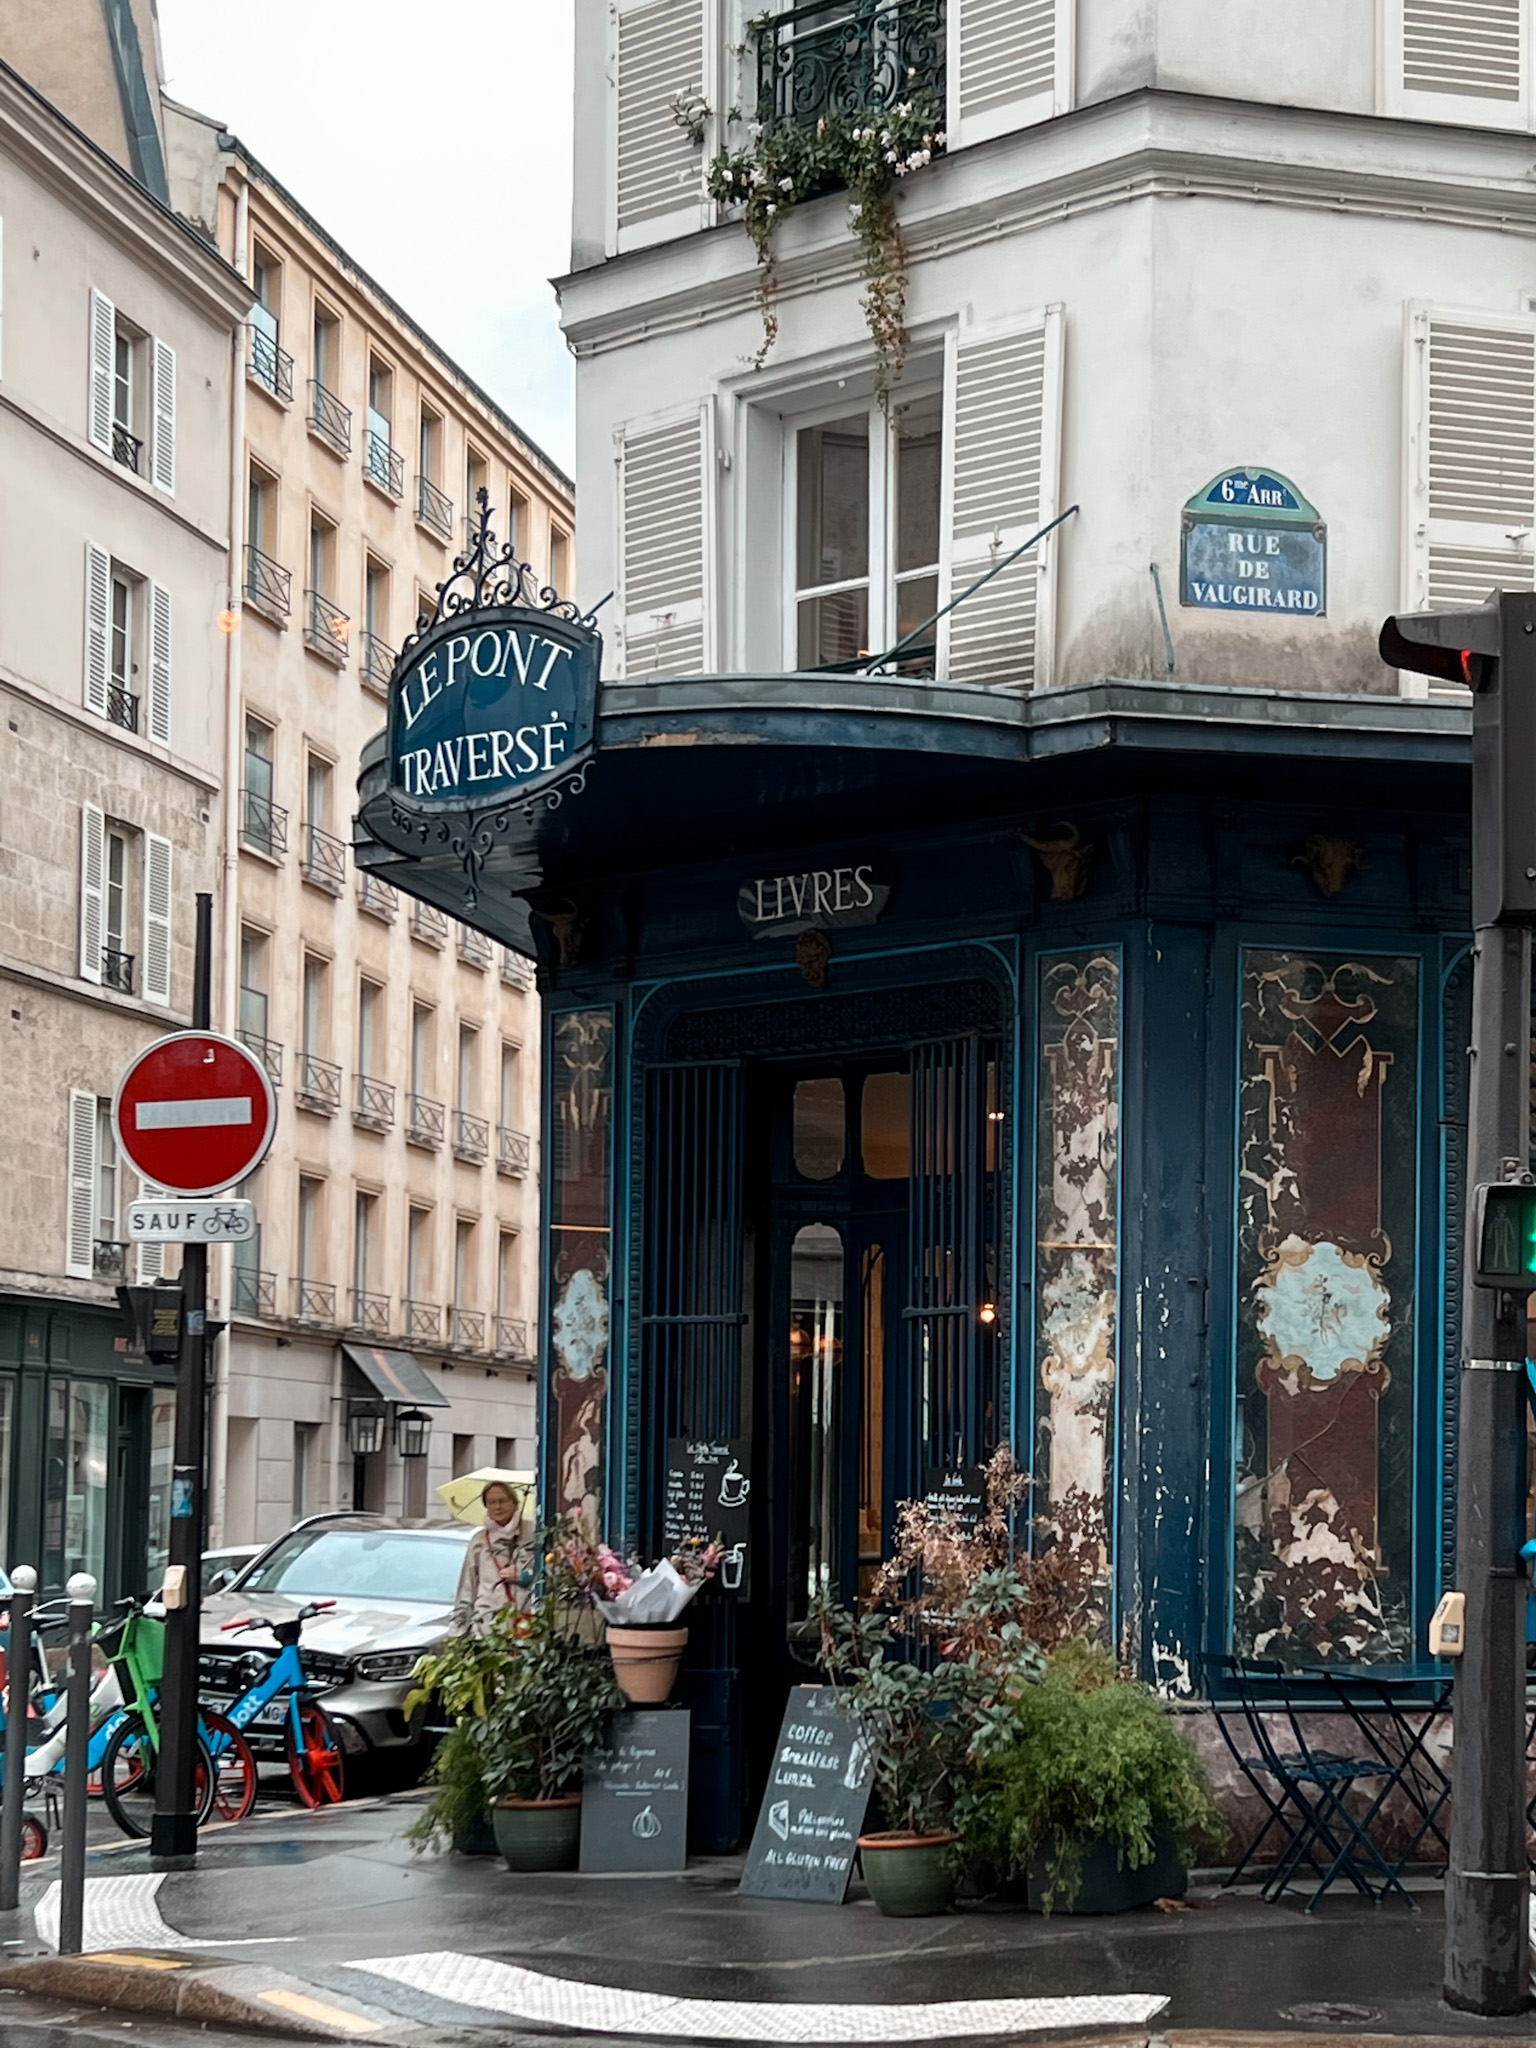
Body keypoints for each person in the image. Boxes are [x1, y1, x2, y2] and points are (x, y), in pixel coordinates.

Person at [453, 1480, 530, 1631]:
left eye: (502, 1501)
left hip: (524, 1617)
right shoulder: (479, 1540)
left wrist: (524, 1576)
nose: (497, 1507)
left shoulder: (531, 1533)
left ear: (514, 1503)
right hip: (487, 1621)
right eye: (491, 1502)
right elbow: (468, 1586)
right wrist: (459, 1629)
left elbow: (548, 1573)